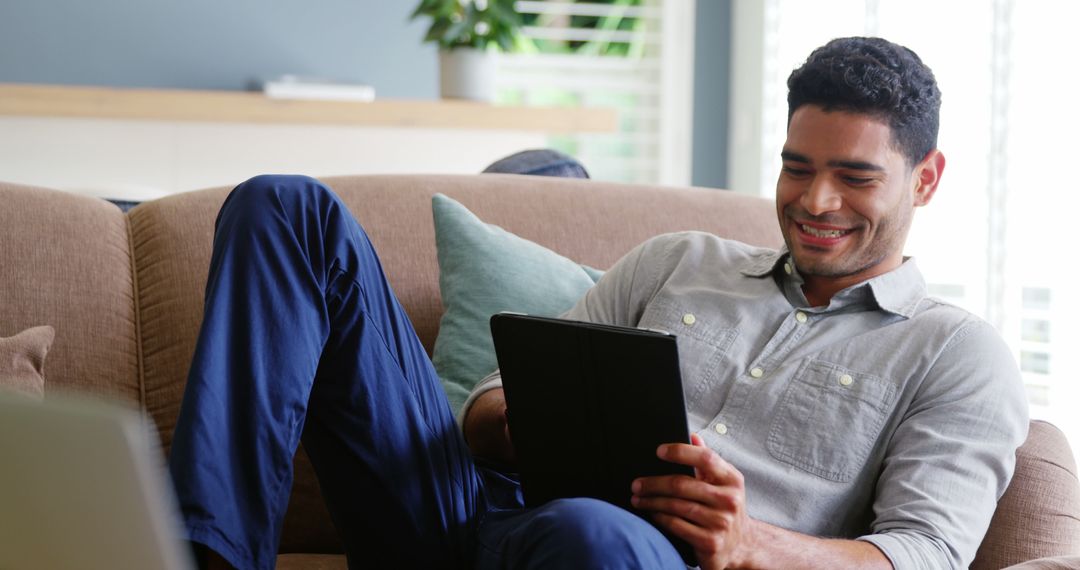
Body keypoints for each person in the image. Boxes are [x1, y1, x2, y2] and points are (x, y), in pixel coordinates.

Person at [170, 37, 1028, 570]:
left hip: (624, 555)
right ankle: (204, 556)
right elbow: (485, 408)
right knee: (286, 208)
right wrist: (511, 421)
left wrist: (749, 544)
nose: (815, 201)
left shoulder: (957, 354)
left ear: (927, 178)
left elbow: (925, 553)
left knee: (594, 533)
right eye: (798, 166)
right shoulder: (676, 260)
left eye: (855, 177)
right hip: (467, 514)